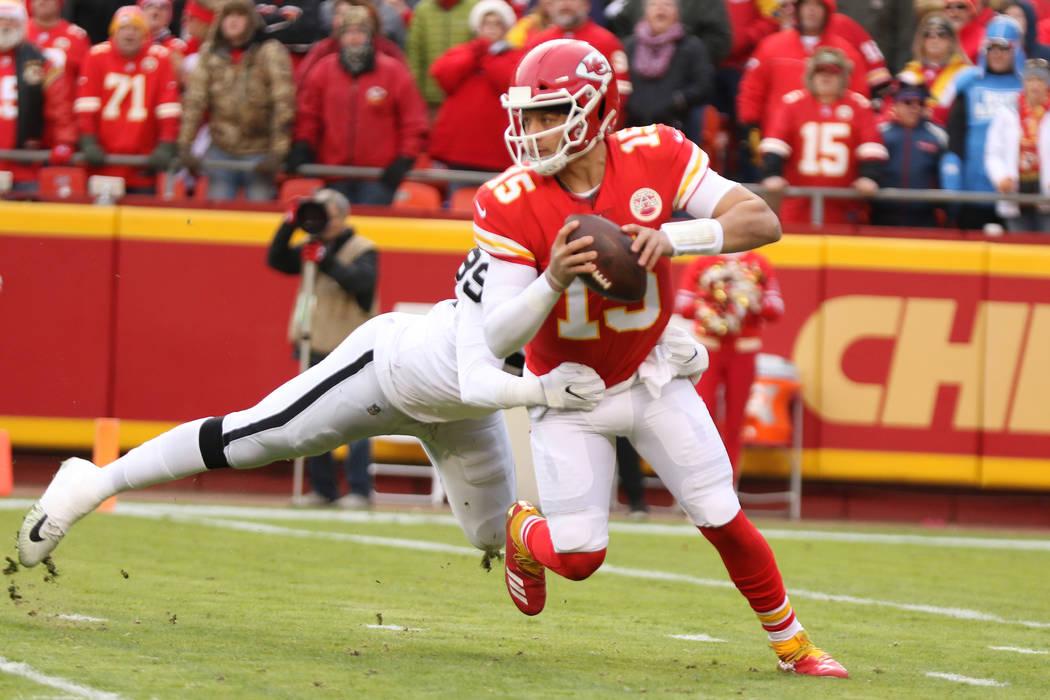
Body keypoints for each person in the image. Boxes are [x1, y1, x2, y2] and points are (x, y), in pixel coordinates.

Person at [473, 38, 848, 677]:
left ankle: (793, 644)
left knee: (719, 512)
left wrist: (674, 237)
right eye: (526, 117)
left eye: (548, 114)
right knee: (581, 557)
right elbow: (497, 337)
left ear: (595, 112)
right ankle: (522, 534)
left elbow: (761, 220)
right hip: (570, 393)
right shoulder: (507, 200)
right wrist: (553, 279)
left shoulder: (657, 152)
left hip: (650, 373)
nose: (531, 132)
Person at [16, 247, 703, 568]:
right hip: (388, 374)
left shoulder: (589, 290)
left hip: (463, 412)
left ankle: (521, 561)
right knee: (257, 437)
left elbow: (624, 328)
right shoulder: (510, 265)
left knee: (493, 535)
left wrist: (670, 346)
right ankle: (92, 482)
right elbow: (479, 379)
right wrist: (546, 391)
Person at [267, 188, 380, 507]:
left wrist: (326, 260)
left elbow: (361, 284)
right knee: (315, 417)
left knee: (359, 417)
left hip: (352, 345)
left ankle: (359, 489)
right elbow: (275, 259)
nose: (319, 222)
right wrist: (289, 225)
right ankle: (323, 488)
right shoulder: (309, 246)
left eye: (325, 216)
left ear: (342, 217)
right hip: (314, 341)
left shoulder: (364, 249)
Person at [288, 5, 427, 205]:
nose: (354, 37)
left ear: (370, 35)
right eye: (348, 32)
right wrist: (303, 145)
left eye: (360, 31)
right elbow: (308, 115)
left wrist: (405, 158)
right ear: (340, 36)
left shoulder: (393, 71)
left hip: (378, 176)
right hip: (334, 174)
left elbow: (413, 120)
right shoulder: (323, 70)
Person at [672, 252, 783, 487]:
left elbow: (775, 307)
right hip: (708, 350)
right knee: (702, 418)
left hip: (744, 349)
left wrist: (749, 299)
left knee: (735, 422)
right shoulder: (703, 262)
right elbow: (682, 304)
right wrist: (711, 302)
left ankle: (727, 488)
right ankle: (697, 485)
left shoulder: (758, 263)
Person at [735, 0, 872, 177]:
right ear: (797, 9)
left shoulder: (845, 51)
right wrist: (750, 123)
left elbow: (859, 97)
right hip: (779, 146)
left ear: (827, 11)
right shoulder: (771, 46)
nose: (811, 11)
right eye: (806, 6)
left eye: (817, 6)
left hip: (830, 152)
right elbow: (752, 88)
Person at [177, 0, 295, 201]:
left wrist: (278, 152)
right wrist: (185, 146)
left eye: (240, 16)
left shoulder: (270, 52)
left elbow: (283, 102)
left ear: (251, 21)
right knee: (220, 220)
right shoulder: (210, 54)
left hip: (261, 152)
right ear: (221, 21)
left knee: (257, 220)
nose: (233, 21)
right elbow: (195, 102)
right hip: (222, 150)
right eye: (229, 16)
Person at [759, 47, 888, 225]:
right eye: (820, 71)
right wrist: (772, 173)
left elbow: (871, 146)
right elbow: (775, 142)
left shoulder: (859, 106)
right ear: (811, 75)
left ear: (843, 77)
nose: (825, 77)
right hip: (798, 207)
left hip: (845, 208)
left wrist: (870, 176)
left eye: (832, 72)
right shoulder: (793, 103)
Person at [74, 6, 181, 194]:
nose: (129, 34)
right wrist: (89, 140)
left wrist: (166, 142)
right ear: (114, 32)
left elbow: (168, 106)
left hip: (143, 162)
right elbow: (86, 104)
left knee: (141, 219)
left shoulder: (160, 58)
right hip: (103, 161)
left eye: (135, 28)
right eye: (124, 28)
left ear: (145, 34)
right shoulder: (97, 56)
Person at [945, 14, 1025, 230]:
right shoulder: (969, 85)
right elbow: (955, 136)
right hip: (974, 193)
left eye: (1004, 48)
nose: (997, 54)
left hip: (1018, 196)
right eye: (991, 48)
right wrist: (952, 174)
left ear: (1015, 50)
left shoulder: (1030, 88)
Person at [427, 0, 521, 177]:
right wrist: (474, 54)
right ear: (477, 27)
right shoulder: (465, 52)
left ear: (506, 28)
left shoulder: (515, 56)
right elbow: (442, 75)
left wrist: (488, 57)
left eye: (498, 23)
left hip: (497, 153)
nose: (491, 28)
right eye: (486, 23)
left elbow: (511, 82)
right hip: (458, 150)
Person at [0, 0, 76, 192]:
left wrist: (64, 141)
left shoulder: (39, 60)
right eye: (2, 20)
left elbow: (60, 105)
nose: (6, 25)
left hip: (24, 163)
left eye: (12, 21)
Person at [622, 0, 712, 136]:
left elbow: (703, 85)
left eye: (667, 5)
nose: (660, 10)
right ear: (645, 12)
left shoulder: (692, 46)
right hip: (633, 128)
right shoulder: (629, 46)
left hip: (678, 128)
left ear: (677, 13)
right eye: (654, 5)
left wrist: (679, 100)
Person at [525, 0, 632, 111]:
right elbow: (525, 86)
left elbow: (621, 90)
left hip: (592, 117)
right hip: (547, 117)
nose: (564, 4)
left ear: (587, 5)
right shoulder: (538, 43)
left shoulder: (608, 42)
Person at [984, 57, 1050, 232]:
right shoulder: (1007, 113)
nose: (1035, 85)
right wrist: (1000, 177)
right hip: (1016, 191)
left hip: (1046, 193)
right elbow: (993, 152)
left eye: (1040, 80)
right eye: (1030, 79)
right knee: (1019, 245)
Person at [873, 81, 948, 227]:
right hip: (883, 217)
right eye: (908, 102)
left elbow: (945, 176)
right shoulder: (880, 132)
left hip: (925, 219)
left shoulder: (938, 135)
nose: (914, 108)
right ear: (896, 105)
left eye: (920, 103)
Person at [295, 0, 406, 87]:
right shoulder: (324, 50)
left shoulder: (386, 50)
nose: (342, 19)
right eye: (338, 14)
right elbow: (305, 86)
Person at [896, 12, 972, 127]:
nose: (934, 39)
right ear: (922, 40)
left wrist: (934, 113)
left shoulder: (966, 74)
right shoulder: (908, 75)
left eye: (941, 34)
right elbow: (891, 110)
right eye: (927, 34)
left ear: (952, 41)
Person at [405, 0, 478, 115]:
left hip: (464, 95)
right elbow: (415, 53)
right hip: (431, 99)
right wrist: (416, 94)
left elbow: (479, 51)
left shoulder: (474, 7)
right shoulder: (423, 10)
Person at [26, 0, 91, 82]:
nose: (42, 1)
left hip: (64, 91)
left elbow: (85, 75)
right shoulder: (20, 33)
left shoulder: (76, 36)